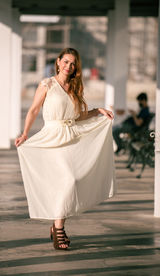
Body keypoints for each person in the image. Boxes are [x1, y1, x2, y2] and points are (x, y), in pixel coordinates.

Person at [15, 48, 115, 250]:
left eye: (73, 63)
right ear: (58, 62)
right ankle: (59, 229)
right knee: (67, 180)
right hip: (52, 137)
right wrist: (25, 133)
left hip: (72, 136)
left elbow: (78, 116)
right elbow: (34, 109)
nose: (69, 66)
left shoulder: (74, 87)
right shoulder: (47, 84)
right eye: (66, 62)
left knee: (72, 182)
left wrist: (98, 111)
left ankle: (57, 225)